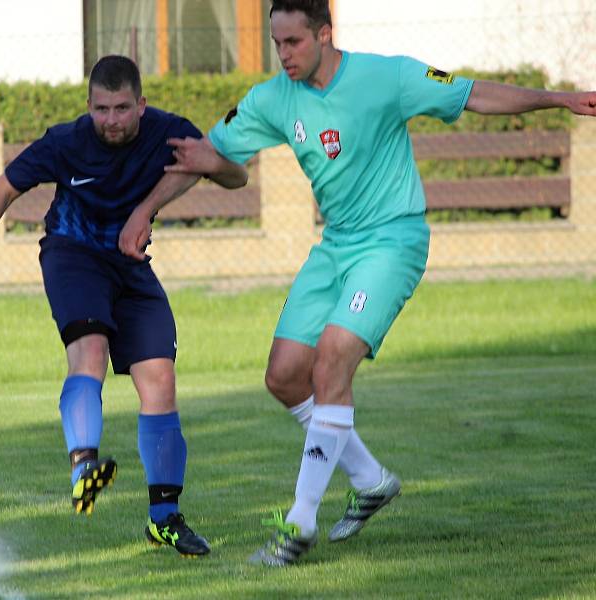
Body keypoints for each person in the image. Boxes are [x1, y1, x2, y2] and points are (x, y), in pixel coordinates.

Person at [119, 0, 596, 566]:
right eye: (277, 44)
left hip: (393, 241)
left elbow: (472, 93)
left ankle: (297, 524)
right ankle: (370, 481)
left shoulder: (387, 76)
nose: (284, 55)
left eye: (294, 42)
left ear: (325, 33)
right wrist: (146, 210)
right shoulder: (273, 98)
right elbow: (209, 156)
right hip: (335, 246)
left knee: (332, 358)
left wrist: (561, 100)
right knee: (284, 376)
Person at [0, 55, 247, 557]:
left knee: (160, 379)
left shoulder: (169, 133)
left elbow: (234, 176)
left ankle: (165, 518)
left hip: (130, 264)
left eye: (122, 108)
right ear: (88, 106)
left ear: (141, 105)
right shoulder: (66, 141)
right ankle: (84, 465)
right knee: (91, 351)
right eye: (102, 108)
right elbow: (5, 188)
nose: (111, 119)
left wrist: (212, 164)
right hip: (72, 254)